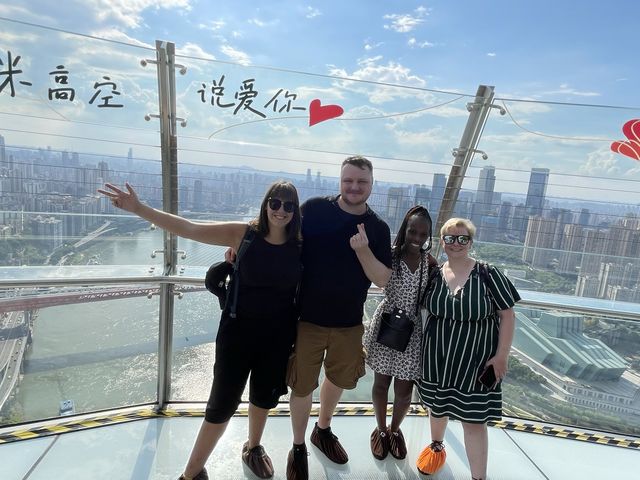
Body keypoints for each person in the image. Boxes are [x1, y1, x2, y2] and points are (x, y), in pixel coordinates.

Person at [98, 181, 303, 480]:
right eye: (275, 203)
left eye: (289, 205)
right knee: (221, 405)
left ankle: (253, 447)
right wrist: (139, 209)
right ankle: (192, 473)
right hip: (237, 334)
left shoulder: (299, 244)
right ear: (266, 204)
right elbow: (189, 229)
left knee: (263, 397)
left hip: (278, 338)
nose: (281, 211)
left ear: (295, 211)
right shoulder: (244, 234)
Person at [286, 156, 392, 480]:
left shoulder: (378, 228)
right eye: (349, 180)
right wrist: (242, 247)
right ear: (340, 181)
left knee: (337, 378)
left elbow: (383, 279)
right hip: (307, 318)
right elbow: (282, 237)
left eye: (361, 182)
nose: (354, 187)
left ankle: (323, 429)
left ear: (372, 185)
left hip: (349, 322)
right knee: (302, 384)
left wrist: (363, 250)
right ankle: (299, 445)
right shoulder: (315, 209)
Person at [415, 218, 520, 480]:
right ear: (442, 242)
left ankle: (477, 477)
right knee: (437, 408)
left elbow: (507, 315)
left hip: (475, 360)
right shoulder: (435, 273)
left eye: (462, 238)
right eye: (450, 238)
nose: (456, 244)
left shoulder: (488, 274)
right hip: (437, 357)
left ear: (471, 242)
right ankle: (436, 449)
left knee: (473, 421)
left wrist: (502, 355)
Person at [363, 205, 433, 461]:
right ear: (405, 230)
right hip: (386, 324)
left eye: (422, 235)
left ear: (428, 236)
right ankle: (380, 431)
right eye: (412, 231)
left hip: (411, 333)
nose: (416, 238)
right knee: (381, 384)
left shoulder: (429, 262)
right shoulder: (389, 256)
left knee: (404, 392)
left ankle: (394, 430)